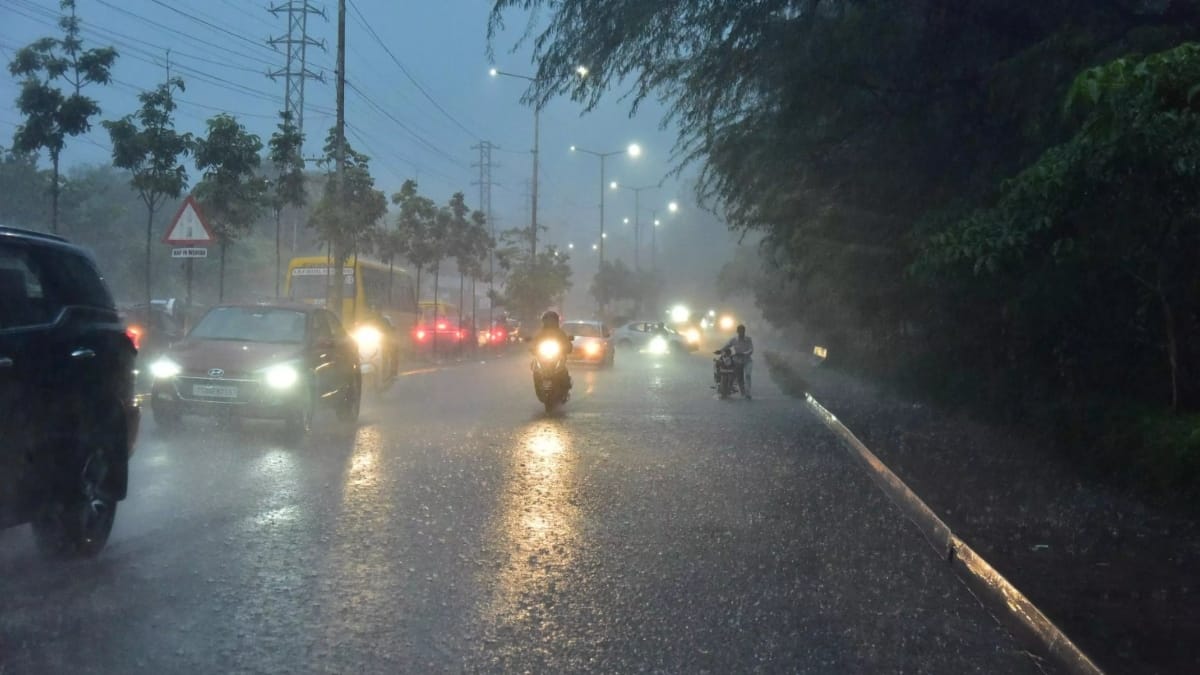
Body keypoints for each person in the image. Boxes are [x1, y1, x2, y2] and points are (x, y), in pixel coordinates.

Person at [529, 310, 573, 393]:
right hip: (542, 357)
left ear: (556, 321)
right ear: (544, 321)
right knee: (534, 367)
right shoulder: (540, 333)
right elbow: (534, 342)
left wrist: (567, 347)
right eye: (547, 320)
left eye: (552, 320)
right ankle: (538, 386)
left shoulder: (560, 332)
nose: (550, 323)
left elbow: (567, 344)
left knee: (563, 369)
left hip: (558, 356)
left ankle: (565, 386)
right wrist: (532, 348)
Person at [720, 324, 754, 399]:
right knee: (739, 378)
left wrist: (744, 353)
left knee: (748, 375)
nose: (741, 333)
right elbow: (727, 345)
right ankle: (742, 392)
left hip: (747, 360)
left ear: (744, 331)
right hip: (738, 361)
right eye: (740, 331)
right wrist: (721, 350)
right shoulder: (734, 340)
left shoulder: (748, 339)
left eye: (743, 331)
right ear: (737, 332)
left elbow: (751, 349)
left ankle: (748, 393)